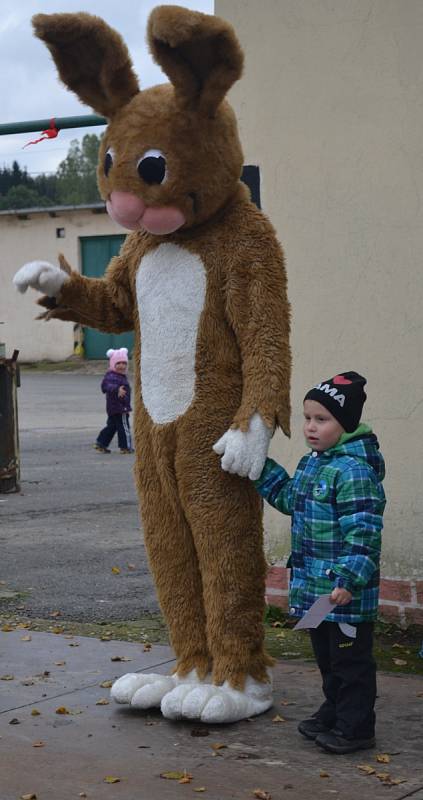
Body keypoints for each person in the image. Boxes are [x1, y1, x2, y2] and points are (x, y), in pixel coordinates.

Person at [254, 371, 386, 754]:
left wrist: (347, 580)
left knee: (350, 664)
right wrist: (259, 467)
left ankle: (356, 727)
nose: (311, 427)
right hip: (317, 592)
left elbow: (364, 534)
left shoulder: (354, 472)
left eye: (322, 419)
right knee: (328, 660)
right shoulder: (315, 463)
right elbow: (289, 498)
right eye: (307, 418)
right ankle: (335, 710)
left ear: (345, 424)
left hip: (345, 594)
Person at [94, 348, 134, 454]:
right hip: (120, 408)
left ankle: (101, 443)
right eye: (118, 363)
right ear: (112, 364)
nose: (122, 366)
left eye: (124, 363)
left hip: (113, 408)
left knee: (112, 426)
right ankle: (126, 447)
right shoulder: (112, 376)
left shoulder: (118, 376)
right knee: (124, 427)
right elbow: (105, 386)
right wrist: (116, 389)